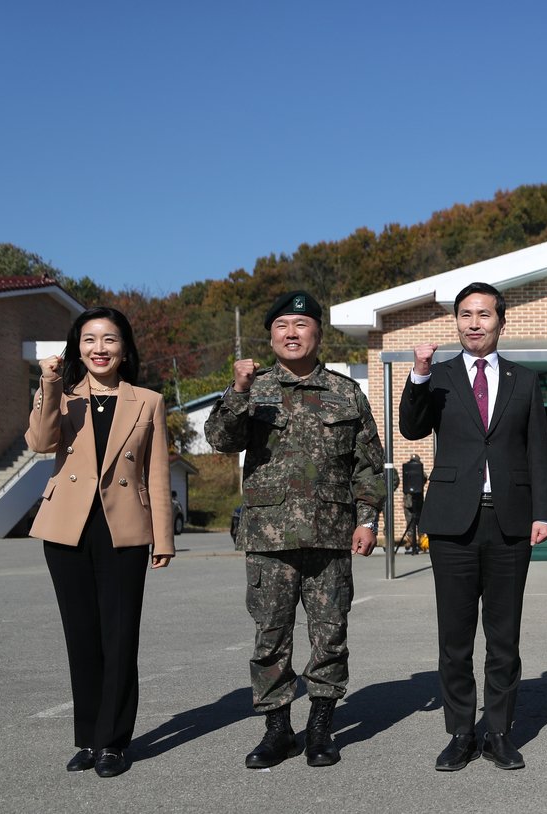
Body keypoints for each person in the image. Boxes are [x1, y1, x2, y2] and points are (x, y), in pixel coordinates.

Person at [205, 291, 386, 770]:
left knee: (330, 633)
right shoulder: (254, 387)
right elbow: (221, 441)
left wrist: (367, 520)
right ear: (270, 336)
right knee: (271, 637)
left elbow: (368, 465)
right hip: (269, 537)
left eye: (301, 324)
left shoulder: (346, 392)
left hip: (330, 536)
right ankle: (278, 730)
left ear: (318, 334)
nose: (291, 333)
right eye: (282, 325)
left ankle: (321, 727)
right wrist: (238, 392)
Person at [399, 282, 547, 771]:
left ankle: (501, 733)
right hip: (451, 522)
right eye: (465, 314)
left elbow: (538, 451)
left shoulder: (524, 380)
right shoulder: (439, 375)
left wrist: (543, 511)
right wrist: (419, 374)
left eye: (483, 314)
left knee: (504, 637)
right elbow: (410, 426)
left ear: (500, 322)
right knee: (456, 637)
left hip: (509, 521)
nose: (473, 322)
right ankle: (461, 732)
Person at [27, 306, 174, 778]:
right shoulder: (62, 395)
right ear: (77, 348)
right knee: (82, 638)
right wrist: (49, 385)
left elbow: (157, 470)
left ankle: (113, 742)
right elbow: (40, 442)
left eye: (109, 339)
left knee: (120, 636)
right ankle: (88, 739)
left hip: (124, 529)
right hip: (67, 529)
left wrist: (163, 536)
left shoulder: (148, 400)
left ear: (124, 348)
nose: (99, 348)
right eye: (89, 340)